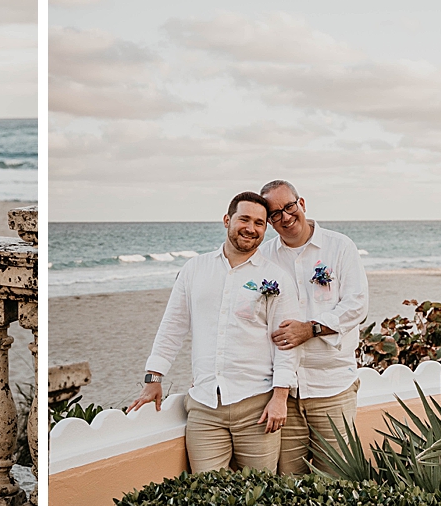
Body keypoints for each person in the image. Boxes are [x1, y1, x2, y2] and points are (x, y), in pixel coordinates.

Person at [126, 192, 300, 472]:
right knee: (206, 497)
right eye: (244, 219)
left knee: (260, 498)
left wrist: (280, 398)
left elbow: (287, 343)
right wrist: (153, 378)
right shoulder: (195, 269)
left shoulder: (277, 278)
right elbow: (173, 326)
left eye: (259, 223)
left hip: (257, 407)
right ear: (227, 220)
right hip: (205, 408)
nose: (251, 228)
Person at [259, 179, 369, 475]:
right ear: (269, 222)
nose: (285, 217)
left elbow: (357, 304)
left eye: (289, 207)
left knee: (335, 480)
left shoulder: (339, 246)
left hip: (333, 386)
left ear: (302, 204)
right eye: (275, 214)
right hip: (285, 392)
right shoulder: (264, 258)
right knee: (289, 482)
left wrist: (312, 329)